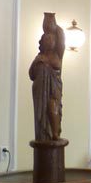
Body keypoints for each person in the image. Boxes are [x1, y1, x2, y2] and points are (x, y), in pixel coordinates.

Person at [28, 13, 65, 142]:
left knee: (52, 105)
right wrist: (37, 63)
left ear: (55, 42)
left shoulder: (57, 56)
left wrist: (52, 22)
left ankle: (54, 133)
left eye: (51, 39)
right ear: (42, 43)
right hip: (39, 91)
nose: (48, 41)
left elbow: (61, 37)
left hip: (54, 88)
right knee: (41, 113)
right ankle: (43, 135)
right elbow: (31, 74)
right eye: (46, 39)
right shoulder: (39, 57)